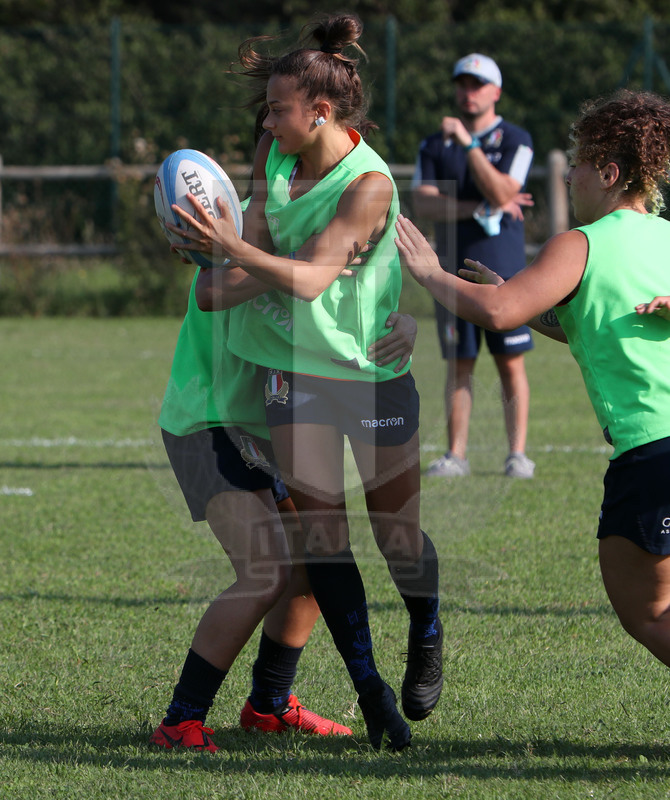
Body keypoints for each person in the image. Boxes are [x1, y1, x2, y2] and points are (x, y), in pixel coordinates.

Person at [166, 13, 442, 752]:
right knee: (307, 552)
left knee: (387, 540)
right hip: (275, 391)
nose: (265, 124)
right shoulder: (274, 163)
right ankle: (362, 691)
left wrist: (240, 252)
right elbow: (226, 284)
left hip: (361, 378)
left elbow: (318, 280)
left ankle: (420, 630)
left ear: (319, 111)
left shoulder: (368, 185)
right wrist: (237, 250)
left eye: (277, 111)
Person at [396, 89, 670, 689]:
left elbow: (497, 313)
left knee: (649, 611)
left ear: (610, 173)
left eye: (579, 163)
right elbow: (588, 325)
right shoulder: (665, 237)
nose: (569, 176)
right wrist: (519, 297)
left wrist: (430, 274)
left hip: (654, 452)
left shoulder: (581, 243)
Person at [149, 185, 418, 754]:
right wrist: (303, 263)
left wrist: (403, 325)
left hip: (266, 429)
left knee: (313, 564)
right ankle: (180, 721)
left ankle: (269, 704)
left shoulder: (313, 247)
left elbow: (345, 319)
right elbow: (211, 289)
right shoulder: (251, 237)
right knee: (265, 570)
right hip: (208, 423)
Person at [412, 53, 536, 479]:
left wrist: (469, 144)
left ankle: (517, 455)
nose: (469, 92)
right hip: (451, 271)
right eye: (462, 83)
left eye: (478, 85)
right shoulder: (433, 144)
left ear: (496, 92)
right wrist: (479, 208)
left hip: (504, 269)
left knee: (510, 362)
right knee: (459, 364)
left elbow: (503, 191)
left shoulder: (517, 139)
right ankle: (456, 455)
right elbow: (424, 202)